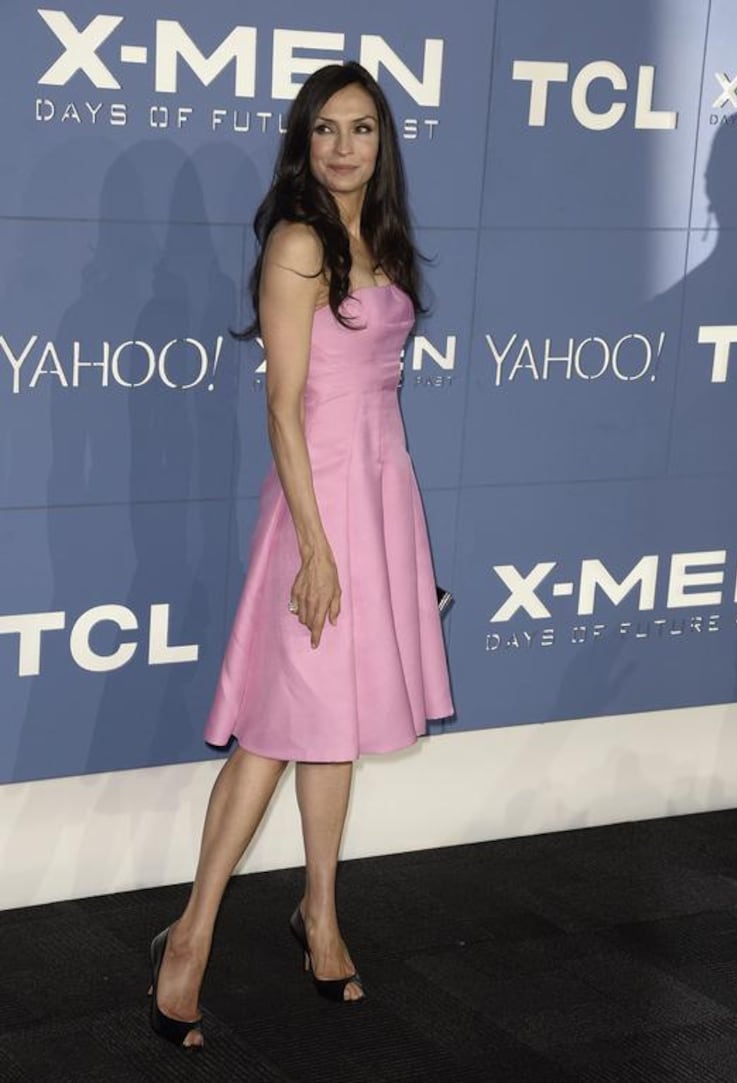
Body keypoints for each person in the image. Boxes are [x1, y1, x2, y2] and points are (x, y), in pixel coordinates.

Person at [148, 61, 455, 1049]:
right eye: (324, 129)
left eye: (361, 129)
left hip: (378, 497)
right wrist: (316, 553)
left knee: (340, 721)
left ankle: (319, 915)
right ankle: (189, 935)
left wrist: (393, 551)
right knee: (275, 731)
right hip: (315, 507)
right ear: (301, 141)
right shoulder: (295, 243)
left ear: (383, 143)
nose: (342, 148)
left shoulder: (386, 244)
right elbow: (283, 406)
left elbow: (382, 396)